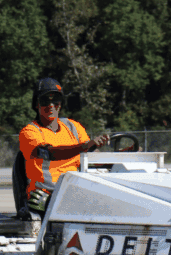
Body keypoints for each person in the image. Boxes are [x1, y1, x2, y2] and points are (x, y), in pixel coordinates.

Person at [18, 78, 110, 217]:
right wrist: (84, 146)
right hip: (45, 196)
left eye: (56, 101)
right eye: (45, 101)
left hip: (73, 191)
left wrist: (123, 156)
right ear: (36, 104)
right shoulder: (30, 132)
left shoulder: (73, 126)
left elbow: (93, 156)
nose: (51, 105)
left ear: (60, 104)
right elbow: (50, 153)